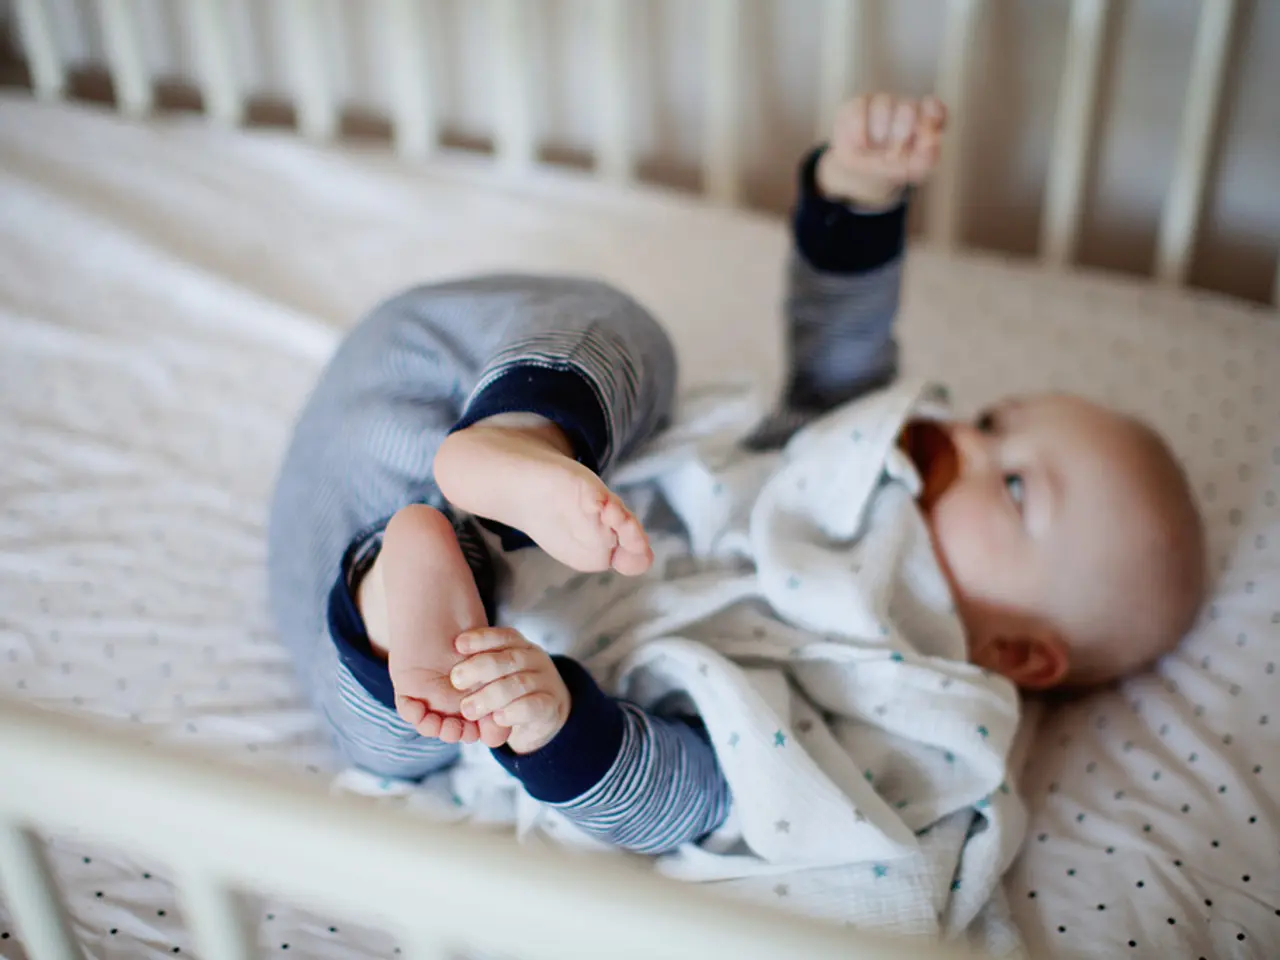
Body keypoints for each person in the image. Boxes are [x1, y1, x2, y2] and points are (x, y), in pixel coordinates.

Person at [267, 93, 1206, 856]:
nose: (971, 437)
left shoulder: (913, 723)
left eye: (1015, 488)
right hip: (454, 385)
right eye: (997, 419)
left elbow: (714, 797)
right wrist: (859, 191)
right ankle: (523, 442)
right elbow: (842, 346)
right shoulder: (862, 458)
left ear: (1023, 656)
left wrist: (557, 728)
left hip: (414, 651)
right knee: (632, 340)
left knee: (399, 731)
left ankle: (403, 586)